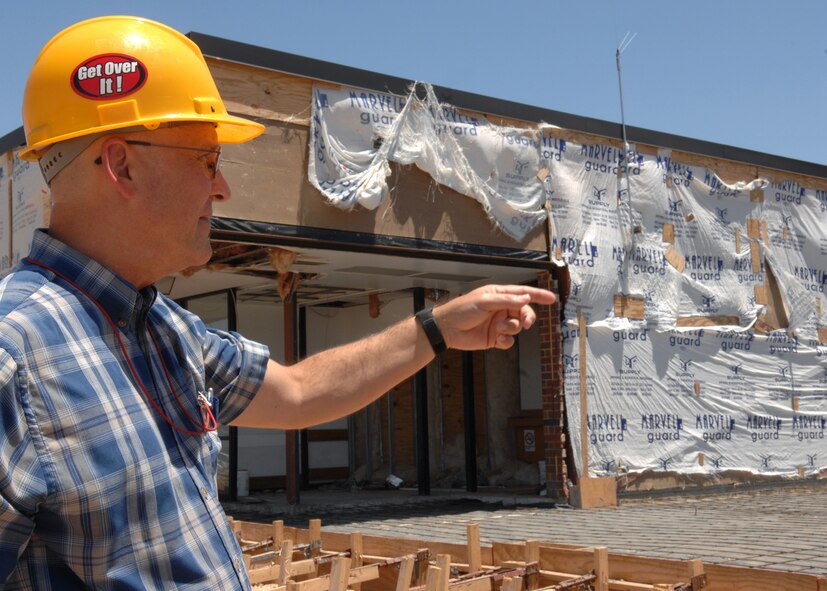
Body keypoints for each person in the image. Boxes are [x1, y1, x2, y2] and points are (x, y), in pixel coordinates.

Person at [0, 15, 557, 590]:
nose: (223, 190)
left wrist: (436, 328)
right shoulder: (14, 358)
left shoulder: (164, 329)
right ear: (122, 165)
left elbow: (297, 393)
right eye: (206, 161)